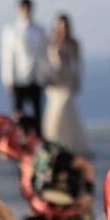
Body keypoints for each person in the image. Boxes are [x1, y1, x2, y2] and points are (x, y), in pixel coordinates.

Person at [42, 14, 90, 156]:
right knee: (54, 112)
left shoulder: (74, 43)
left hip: (67, 81)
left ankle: (69, 144)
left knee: (65, 109)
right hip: (55, 82)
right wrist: (48, 77)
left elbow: (78, 63)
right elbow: (45, 62)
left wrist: (77, 80)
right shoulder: (51, 42)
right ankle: (55, 143)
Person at [1, 0, 47, 137]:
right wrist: (8, 78)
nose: (27, 11)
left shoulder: (40, 30)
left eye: (29, 8)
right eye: (24, 8)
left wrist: (45, 75)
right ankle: (19, 140)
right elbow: (8, 56)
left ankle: (37, 140)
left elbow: (43, 55)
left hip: (36, 77)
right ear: (19, 10)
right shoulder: (11, 30)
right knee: (18, 114)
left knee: (38, 113)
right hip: (18, 78)